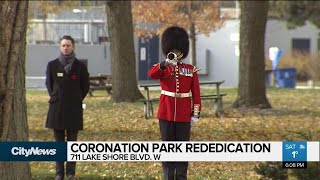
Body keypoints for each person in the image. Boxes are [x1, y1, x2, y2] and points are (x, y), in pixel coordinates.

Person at [148, 26, 201, 180]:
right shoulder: (164, 68)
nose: (175, 54)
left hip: (184, 115)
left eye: (178, 51)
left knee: (183, 149)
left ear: (183, 52)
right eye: (172, 50)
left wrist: (195, 113)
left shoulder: (190, 70)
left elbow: (196, 94)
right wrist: (165, 63)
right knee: (167, 148)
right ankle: (168, 176)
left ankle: (181, 176)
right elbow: (152, 74)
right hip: (166, 113)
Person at [45, 35, 89, 180]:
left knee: (72, 143)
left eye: (68, 45)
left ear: (73, 47)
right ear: (60, 47)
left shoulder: (80, 66)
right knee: (58, 143)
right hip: (56, 109)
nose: (65, 48)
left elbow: (85, 87)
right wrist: (57, 97)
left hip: (74, 110)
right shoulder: (52, 65)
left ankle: (70, 172)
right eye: (63, 45)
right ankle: (59, 173)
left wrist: (75, 99)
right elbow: (49, 85)